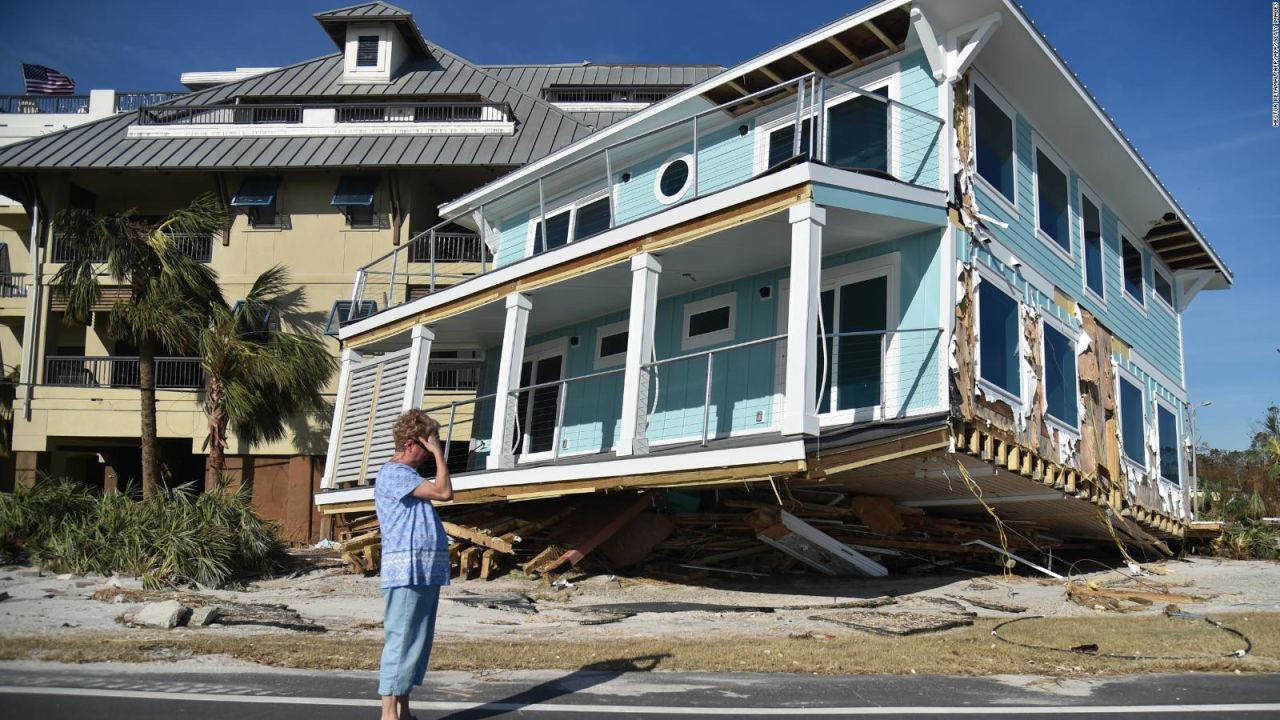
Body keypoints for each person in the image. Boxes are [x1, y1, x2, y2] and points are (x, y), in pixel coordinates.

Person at [375, 409, 453, 720]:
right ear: (411, 444)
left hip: (422, 570)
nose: (428, 451)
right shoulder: (394, 474)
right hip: (406, 571)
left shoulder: (408, 476)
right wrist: (438, 453)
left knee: (416, 644)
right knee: (402, 641)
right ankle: (389, 714)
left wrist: (432, 449)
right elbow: (444, 492)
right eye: (426, 444)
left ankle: (403, 711)